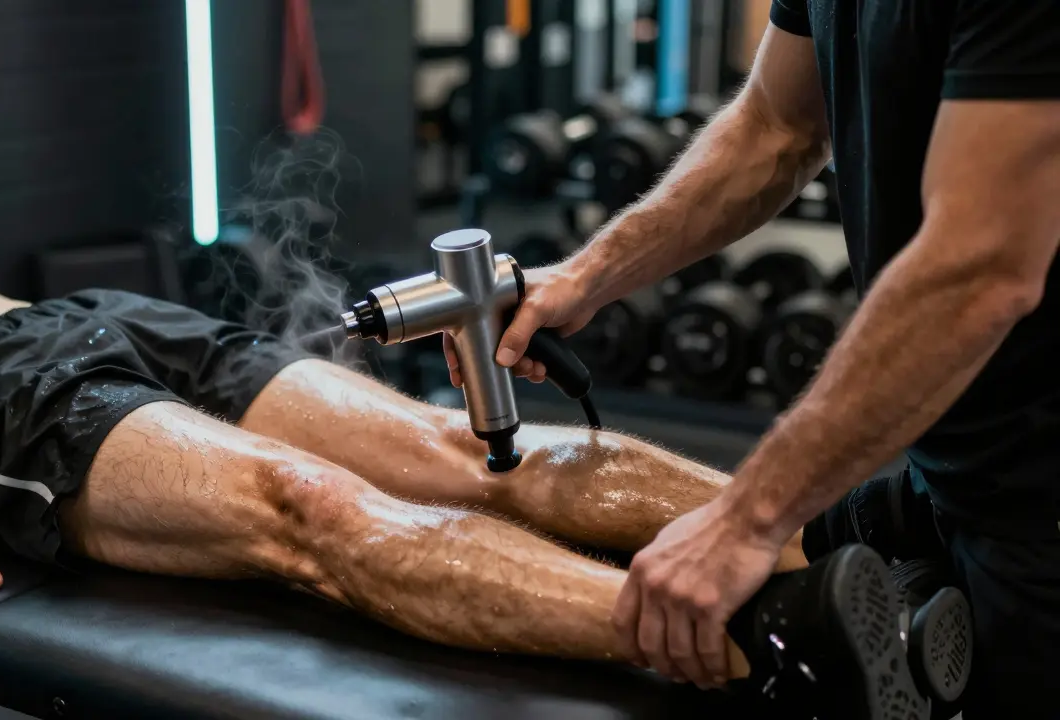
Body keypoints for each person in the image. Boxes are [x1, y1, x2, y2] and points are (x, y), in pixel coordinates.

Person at [0, 223, 934, 719]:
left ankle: (840, 549)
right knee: (317, 512)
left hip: (97, 322)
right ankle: (780, 643)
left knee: (460, 447)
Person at [452, 3, 1060, 716]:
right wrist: (588, 275)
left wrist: (745, 522)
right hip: (965, 468)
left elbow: (978, 270)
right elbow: (776, 126)